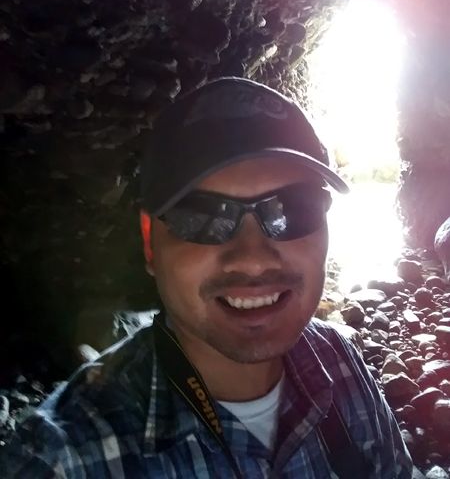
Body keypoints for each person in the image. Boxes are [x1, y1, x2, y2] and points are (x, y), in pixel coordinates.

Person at [1, 77, 413, 478]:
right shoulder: (63, 459)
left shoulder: (338, 363)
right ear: (149, 243)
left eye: (292, 208)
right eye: (202, 217)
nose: (252, 259)